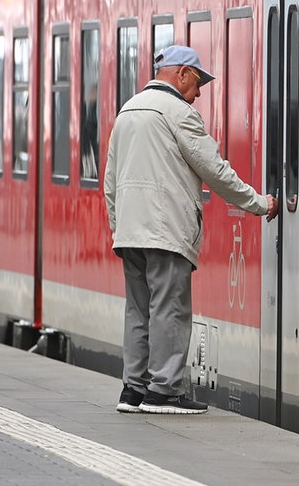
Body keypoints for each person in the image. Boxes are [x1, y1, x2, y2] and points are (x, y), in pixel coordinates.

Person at [104, 45, 278, 415]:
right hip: (165, 231)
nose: (198, 94)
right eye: (197, 83)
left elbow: (110, 182)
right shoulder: (179, 114)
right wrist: (259, 204)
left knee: (138, 310)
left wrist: (119, 227)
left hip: (131, 233)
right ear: (181, 73)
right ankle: (164, 390)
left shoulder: (127, 110)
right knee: (170, 309)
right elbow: (214, 170)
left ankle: (133, 390)